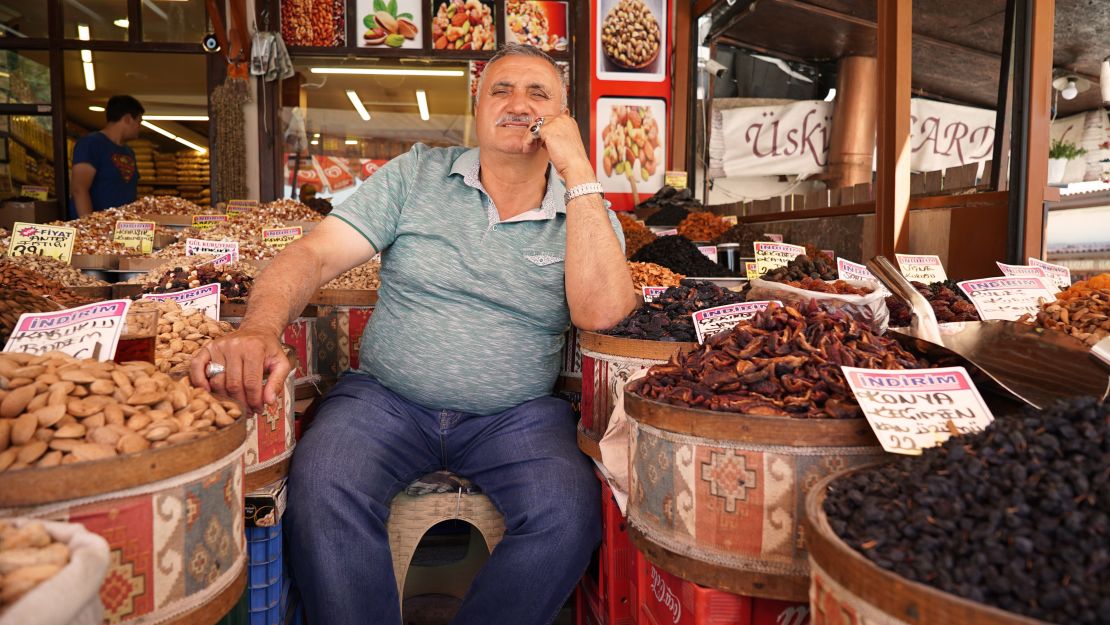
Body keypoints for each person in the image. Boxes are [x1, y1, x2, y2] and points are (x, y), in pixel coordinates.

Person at [190, 43, 638, 625]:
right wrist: (257, 328)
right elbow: (315, 255)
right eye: (500, 90)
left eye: (538, 93)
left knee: (568, 514)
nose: (517, 104)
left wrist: (578, 171)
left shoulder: (583, 209)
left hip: (517, 415)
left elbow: (603, 313)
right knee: (324, 486)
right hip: (386, 399)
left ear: (563, 117)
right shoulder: (416, 175)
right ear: (477, 109)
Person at [69, 95, 144, 218]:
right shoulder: (91, 143)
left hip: (123, 229)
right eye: (139, 122)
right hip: (98, 229)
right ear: (128, 119)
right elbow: (79, 189)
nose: (139, 127)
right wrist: (89, 225)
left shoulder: (129, 152)